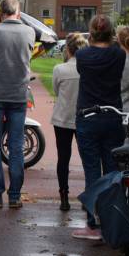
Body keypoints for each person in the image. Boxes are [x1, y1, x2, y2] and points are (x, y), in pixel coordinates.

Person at [72, 14, 126, 240]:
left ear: (91, 32)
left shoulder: (83, 56)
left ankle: (92, 224)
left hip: (88, 117)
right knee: (112, 171)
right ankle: (112, 222)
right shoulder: (118, 54)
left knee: (92, 171)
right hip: (112, 116)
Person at [0, 0, 36, 210]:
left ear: (1, 13)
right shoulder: (29, 31)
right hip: (18, 94)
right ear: (18, 12)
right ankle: (15, 195)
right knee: (15, 145)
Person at [51, 32, 88, 212]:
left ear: (68, 49)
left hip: (63, 118)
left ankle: (64, 195)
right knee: (87, 158)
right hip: (84, 117)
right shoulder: (88, 69)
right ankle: (89, 194)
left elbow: (56, 91)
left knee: (63, 158)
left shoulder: (60, 69)